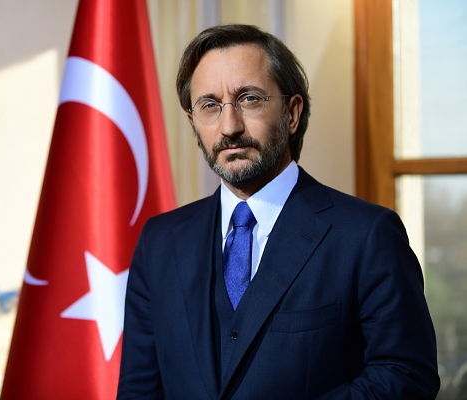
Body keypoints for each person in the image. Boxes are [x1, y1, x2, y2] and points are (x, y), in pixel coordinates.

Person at [117, 24, 440, 399]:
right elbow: (139, 391)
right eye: (209, 105)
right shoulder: (159, 243)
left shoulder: (366, 236)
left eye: (249, 99)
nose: (229, 126)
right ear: (193, 122)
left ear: (291, 113)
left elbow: (406, 376)